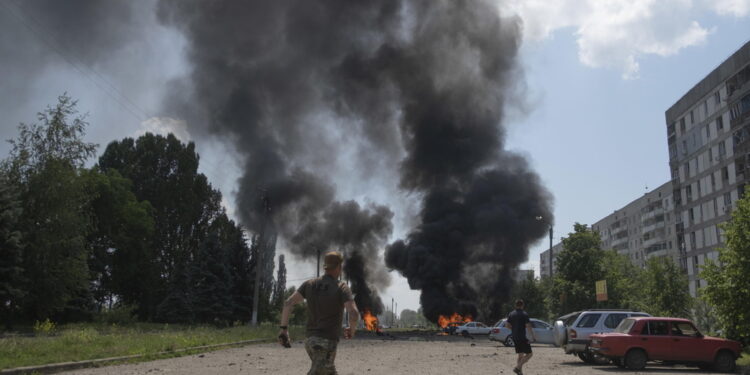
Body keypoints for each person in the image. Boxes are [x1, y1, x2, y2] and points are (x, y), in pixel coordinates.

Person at [279, 251, 359, 375]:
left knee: (326, 371)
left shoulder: (309, 284)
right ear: (339, 267)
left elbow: (288, 303)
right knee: (319, 371)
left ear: (325, 267)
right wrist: (352, 330)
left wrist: (283, 329)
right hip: (326, 343)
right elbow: (354, 313)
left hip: (310, 341)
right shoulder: (341, 287)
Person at [505, 299, 536, 375]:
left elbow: (507, 325)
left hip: (515, 337)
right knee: (529, 354)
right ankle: (517, 367)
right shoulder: (524, 314)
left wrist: (514, 329)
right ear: (522, 305)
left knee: (520, 355)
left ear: (515, 305)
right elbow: (528, 326)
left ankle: (520, 372)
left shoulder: (511, 314)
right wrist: (532, 336)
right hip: (522, 337)